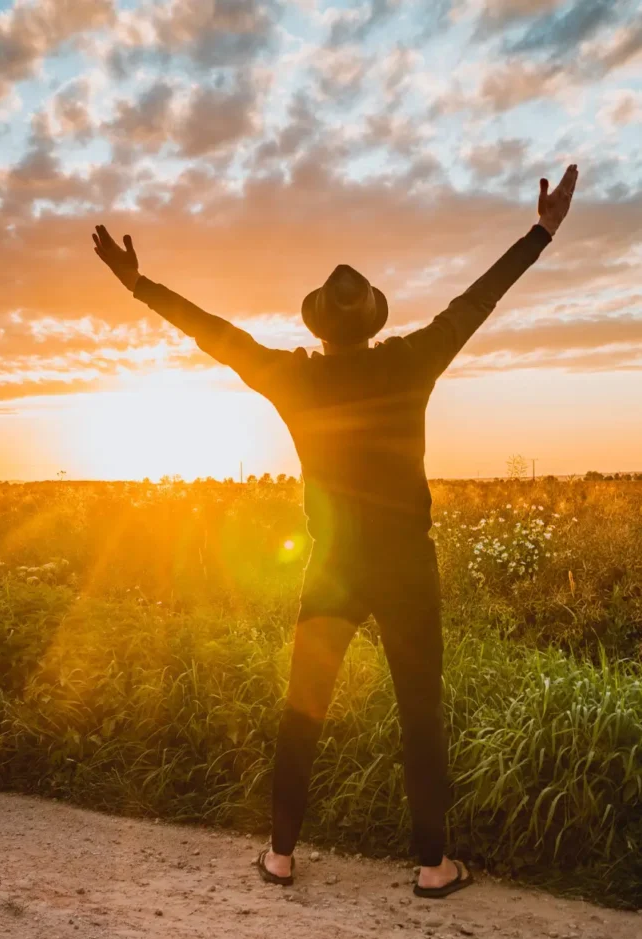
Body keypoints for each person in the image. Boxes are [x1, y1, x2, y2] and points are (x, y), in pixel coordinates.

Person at [92, 164, 579, 898]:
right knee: (420, 710)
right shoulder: (412, 361)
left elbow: (214, 335)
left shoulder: (293, 379)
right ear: (373, 319)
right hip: (405, 564)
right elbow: (476, 300)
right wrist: (539, 232)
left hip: (332, 563)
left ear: (317, 325)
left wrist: (138, 285)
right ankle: (431, 866)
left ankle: (281, 855)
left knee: (303, 706)